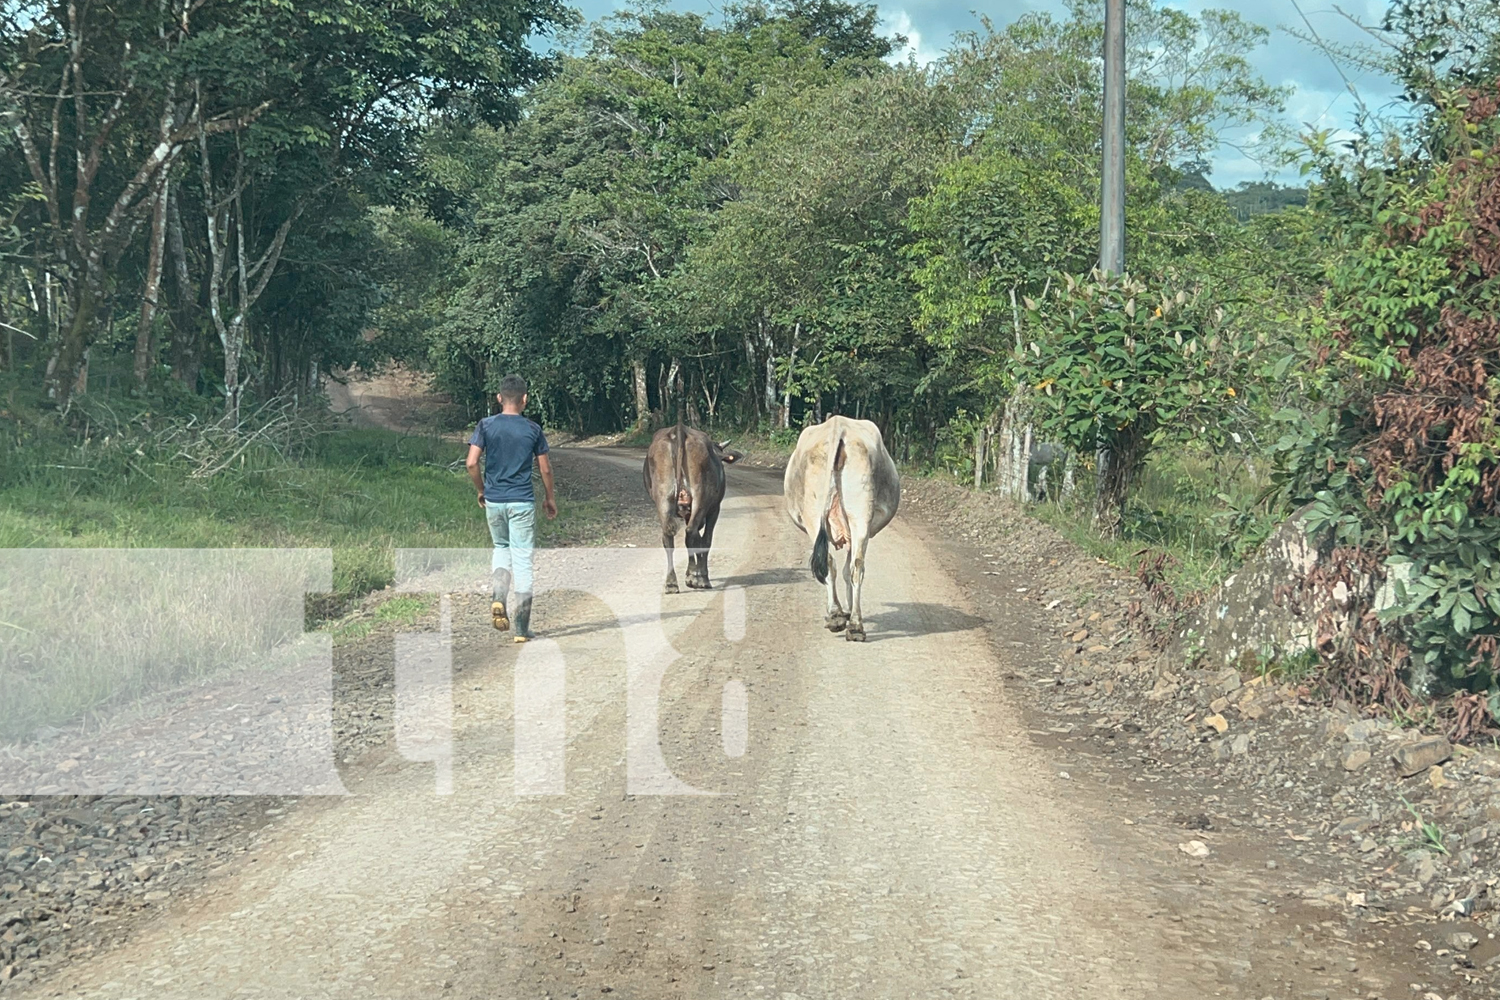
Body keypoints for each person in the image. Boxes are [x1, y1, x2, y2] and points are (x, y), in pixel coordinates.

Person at [466, 375, 557, 642]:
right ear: (525, 399)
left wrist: (481, 489)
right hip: (522, 501)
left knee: (501, 549)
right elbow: (545, 468)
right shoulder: (533, 429)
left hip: (495, 501)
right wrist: (550, 497)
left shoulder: (485, 425)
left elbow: (472, 463)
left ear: (498, 398)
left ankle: (498, 597)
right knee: (523, 560)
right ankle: (521, 628)